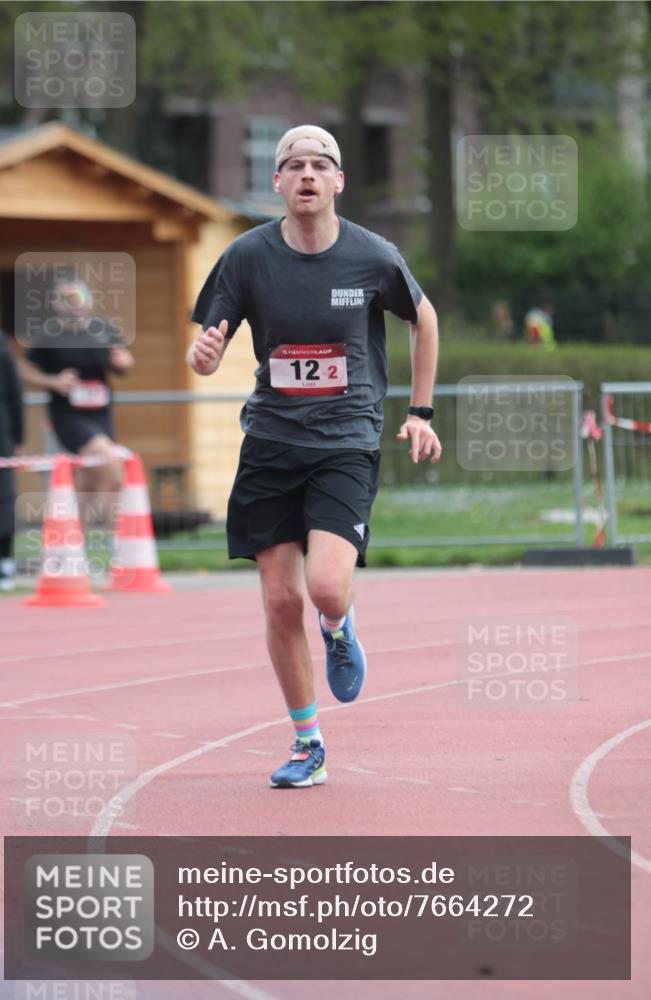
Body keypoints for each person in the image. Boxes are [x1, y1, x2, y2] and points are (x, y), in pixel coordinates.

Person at [187, 125, 441, 788]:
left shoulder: (373, 254)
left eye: (319, 164)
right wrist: (203, 356)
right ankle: (308, 743)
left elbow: (423, 318)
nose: (305, 174)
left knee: (324, 586)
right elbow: (206, 337)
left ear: (337, 182)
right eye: (292, 165)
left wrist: (419, 412)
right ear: (276, 182)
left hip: (345, 440)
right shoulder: (245, 256)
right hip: (271, 440)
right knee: (278, 601)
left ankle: (338, 622)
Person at [17, 278, 134, 526]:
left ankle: (69, 545)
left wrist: (122, 362)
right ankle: (118, 540)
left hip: (101, 414)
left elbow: (124, 362)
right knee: (111, 469)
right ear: (56, 304)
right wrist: (54, 381)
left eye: (78, 298)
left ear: (88, 300)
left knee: (87, 480)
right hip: (68, 415)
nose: (74, 305)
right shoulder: (48, 335)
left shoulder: (103, 328)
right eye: (67, 299)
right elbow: (24, 372)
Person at [0, 308, 25, 590]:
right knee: (0, 497)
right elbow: (15, 395)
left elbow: (14, 392)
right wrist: (18, 436)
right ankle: (2, 564)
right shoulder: (1, 347)